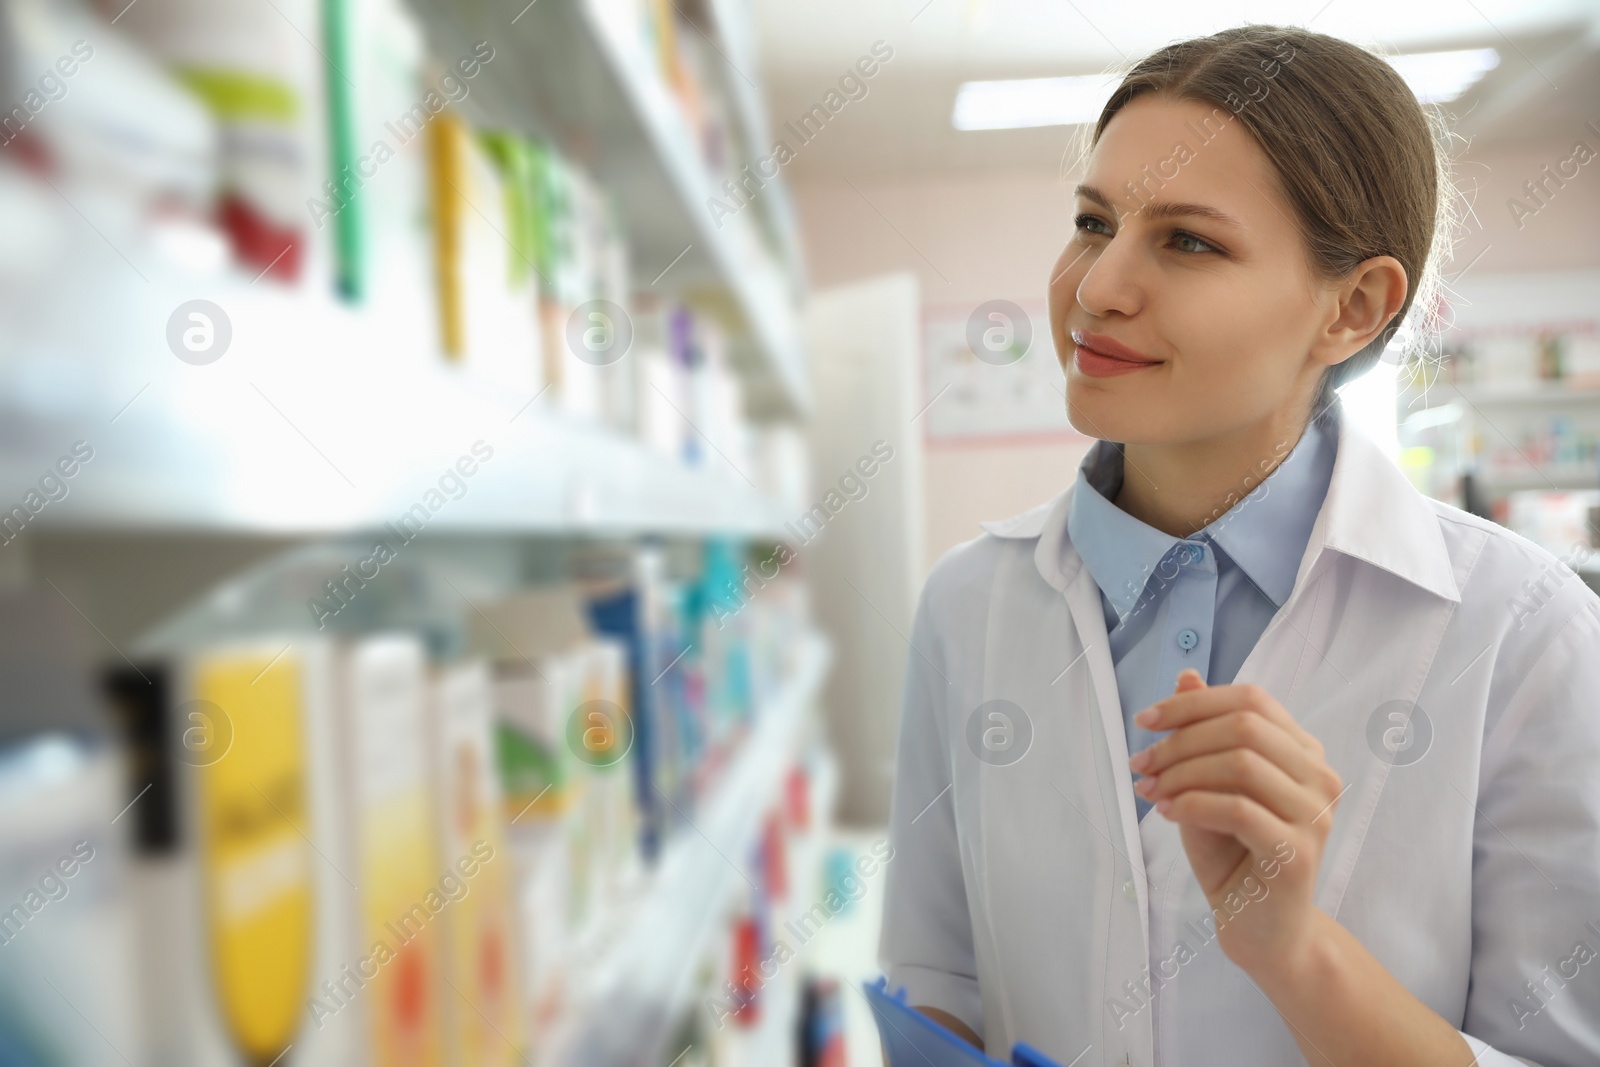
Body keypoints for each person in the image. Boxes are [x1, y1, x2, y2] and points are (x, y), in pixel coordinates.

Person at [878, 23, 1600, 1067]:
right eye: (1093, 220)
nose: (1096, 286)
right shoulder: (969, 601)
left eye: (1187, 241)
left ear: (1352, 308)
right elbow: (934, 981)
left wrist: (1294, 949)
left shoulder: (1525, 635)